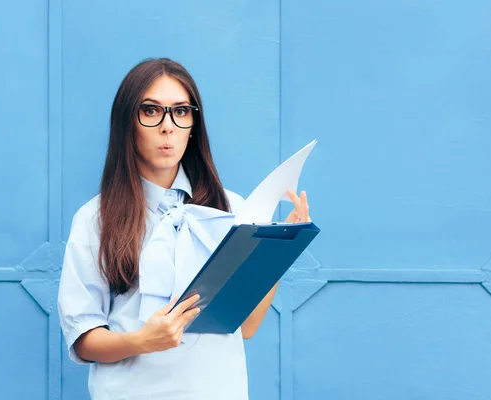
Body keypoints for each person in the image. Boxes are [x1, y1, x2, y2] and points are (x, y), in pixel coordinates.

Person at [57, 57, 311, 400]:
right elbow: (83, 339)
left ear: (194, 124)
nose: (168, 127)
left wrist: (278, 250)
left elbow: (247, 326)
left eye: (180, 111)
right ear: (127, 123)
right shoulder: (94, 219)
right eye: (150, 111)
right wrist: (141, 341)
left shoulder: (232, 210)